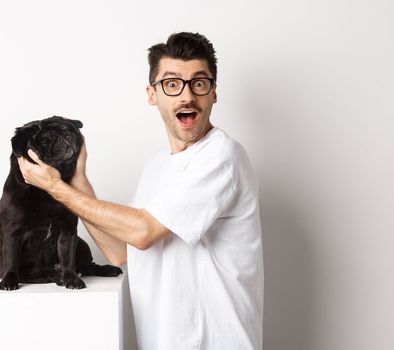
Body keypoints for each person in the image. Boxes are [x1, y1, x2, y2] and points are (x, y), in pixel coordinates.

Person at [17, 32, 264, 349]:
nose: (186, 96)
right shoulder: (157, 164)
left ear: (213, 93)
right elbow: (120, 250)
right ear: (152, 94)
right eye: (172, 84)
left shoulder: (221, 156)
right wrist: (76, 179)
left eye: (199, 83)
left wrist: (55, 189)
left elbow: (143, 232)